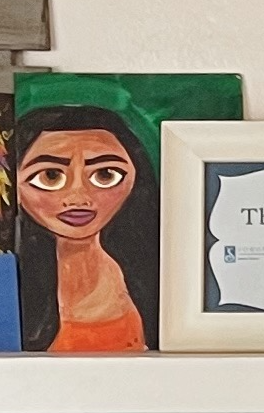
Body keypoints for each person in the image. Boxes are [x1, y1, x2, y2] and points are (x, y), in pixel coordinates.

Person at [12, 100, 156, 352]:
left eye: (105, 175)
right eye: (50, 176)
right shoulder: (6, 283)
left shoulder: (152, 275)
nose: (78, 198)